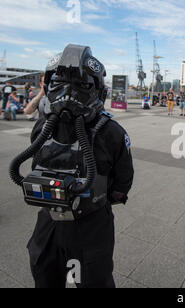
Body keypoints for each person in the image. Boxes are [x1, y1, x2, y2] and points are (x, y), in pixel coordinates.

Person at [10, 44, 134, 288]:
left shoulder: (108, 132)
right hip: (75, 222)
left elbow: (122, 182)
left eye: (80, 85)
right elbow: (123, 182)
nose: (69, 93)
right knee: (70, 276)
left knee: (62, 275)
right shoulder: (112, 132)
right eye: (62, 84)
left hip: (69, 222)